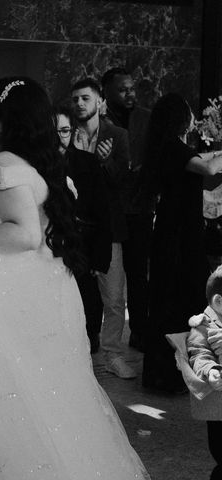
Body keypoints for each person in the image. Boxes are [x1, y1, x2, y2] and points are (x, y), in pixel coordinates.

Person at [0, 76, 149, 479]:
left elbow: (24, 234)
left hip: (9, 308)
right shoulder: (36, 162)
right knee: (46, 404)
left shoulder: (4, 165)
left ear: (9, 119)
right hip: (36, 296)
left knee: (10, 405)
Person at [141, 93, 222, 393]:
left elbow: (207, 164)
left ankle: (173, 374)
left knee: (175, 302)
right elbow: (210, 169)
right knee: (179, 303)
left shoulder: (170, 148)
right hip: (177, 239)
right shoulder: (173, 148)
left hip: (177, 234)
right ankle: (173, 375)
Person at [70, 78, 136, 379]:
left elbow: (123, 181)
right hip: (74, 228)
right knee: (76, 296)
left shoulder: (118, 135)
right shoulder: (65, 133)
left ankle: (112, 355)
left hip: (108, 228)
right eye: (75, 99)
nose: (79, 104)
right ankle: (77, 353)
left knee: (114, 298)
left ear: (100, 102)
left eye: (85, 98)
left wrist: (102, 162)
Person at [102, 67, 153, 351]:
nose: (130, 93)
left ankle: (139, 332)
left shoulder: (146, 117)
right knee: (108, 279)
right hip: (110, 208)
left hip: (140, 207)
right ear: (107, 91)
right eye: (123, 89)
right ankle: (100, 336)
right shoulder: (98, 121)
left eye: (132, 87)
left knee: (138, 276)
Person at [55, 105, 112, 353]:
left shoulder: (88, 162)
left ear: (72, 131)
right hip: (52, 247)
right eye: (54, 131)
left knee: (88, 307)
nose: (59, 137)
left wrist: (99, 260)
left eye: (65, 130)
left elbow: (103, 212)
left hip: (84, 248)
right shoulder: (36, 165)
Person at [187, 266, 222, 480]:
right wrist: (211, 371)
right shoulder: (203, 326)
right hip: (219, 407)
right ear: (219, 302)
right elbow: (198, 353)